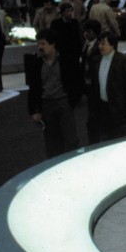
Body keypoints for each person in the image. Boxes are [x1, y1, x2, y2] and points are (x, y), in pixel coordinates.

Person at [26, 29, 83, 158]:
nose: (40, 47)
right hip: (46, 105)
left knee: (71, 139)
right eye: (38, 44)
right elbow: (33, 87)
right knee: (52, 141)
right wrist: (33, 111)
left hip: (64, 102)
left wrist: (71, 101)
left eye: (43, 44)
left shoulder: (66, 60)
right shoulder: (37, 63)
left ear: (53, 44)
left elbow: (77, 81)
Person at [87, 31, 126, 143]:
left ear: (112, 45)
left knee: (118, 137)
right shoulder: (97, 60)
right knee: (104, 135)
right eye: (99, 43)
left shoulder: (123, 60)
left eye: (103, 43)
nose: (100, 46)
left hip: (118, 106)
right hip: (102, 106)